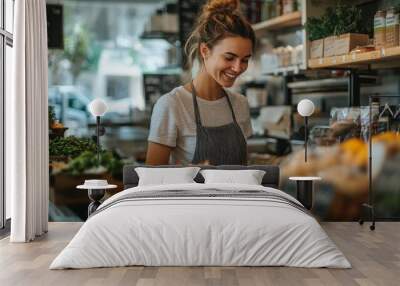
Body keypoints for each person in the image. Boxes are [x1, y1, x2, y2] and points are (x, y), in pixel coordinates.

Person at [146, 0, 255, 166]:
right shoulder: (172, 105)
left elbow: (244, 170)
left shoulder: (240, 104)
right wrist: (191, 172)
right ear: (205, 50)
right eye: (229, 58)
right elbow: (152, 180)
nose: (238, 67)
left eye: (245, 60)